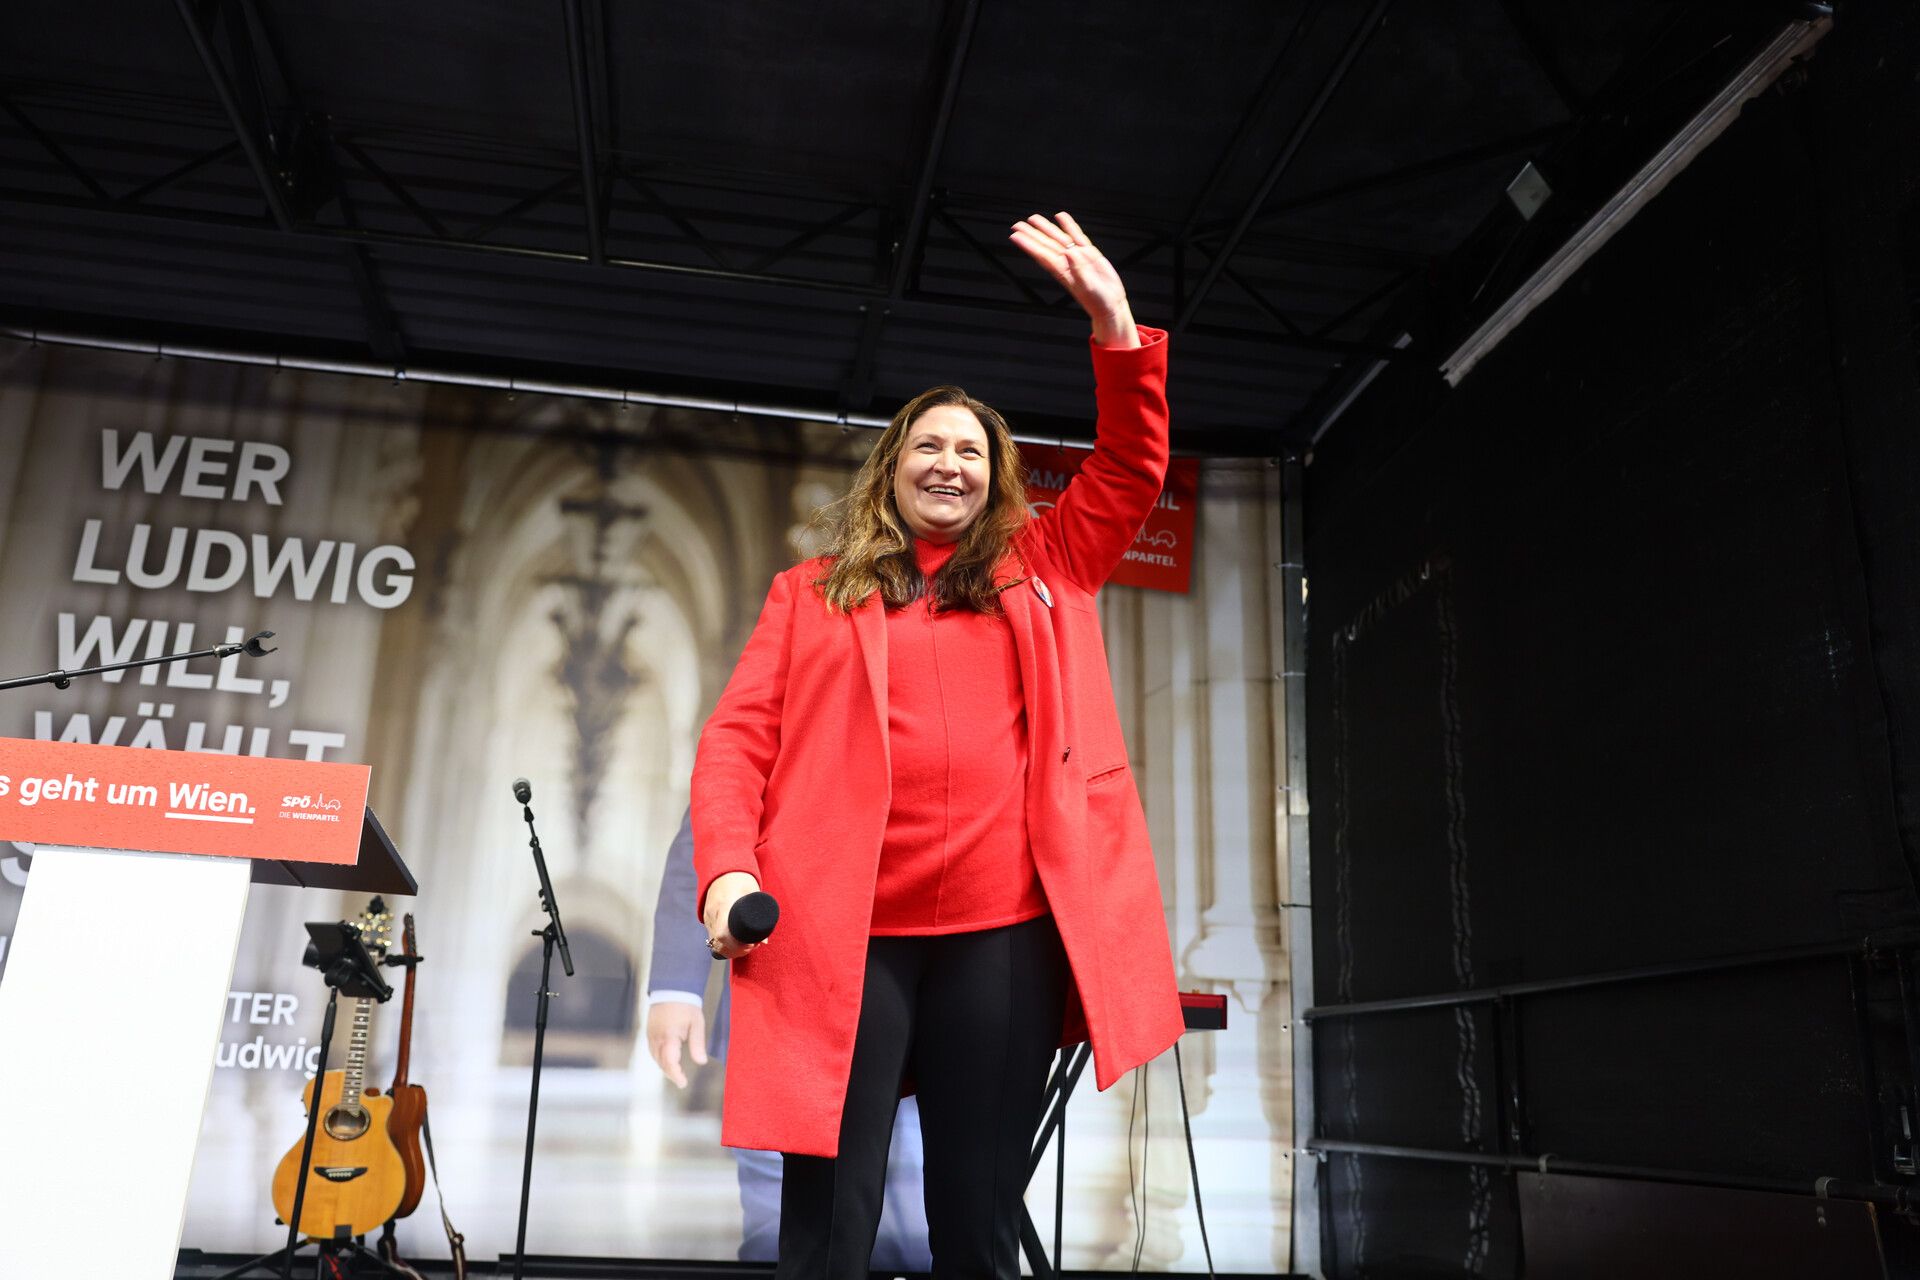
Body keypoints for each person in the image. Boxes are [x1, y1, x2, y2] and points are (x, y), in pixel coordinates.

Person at [693, 212, 1184, 1279]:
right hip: (844, 938)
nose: (950, 463)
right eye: (929, 445)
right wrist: (726, 870)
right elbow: (734, 740)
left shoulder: (1048, 562)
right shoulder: (808, 595)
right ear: (892, 469)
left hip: (998, 939)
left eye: (972, 449)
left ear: (995, 475)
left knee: (976, 1216)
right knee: (830, 1219)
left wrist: (1113, 326)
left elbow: (1133, 464)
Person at [644, 807, 931, 1268]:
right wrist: (676, 986)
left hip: (917, 1007)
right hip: (785, 1003)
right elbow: (711, 822)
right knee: (776, 1234)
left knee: (917, 1236)